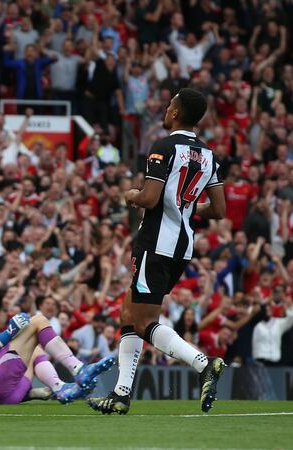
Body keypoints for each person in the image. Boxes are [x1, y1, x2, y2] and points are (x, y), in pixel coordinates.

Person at [88, 88, 227, 415]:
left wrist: (131, 194)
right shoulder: (208, 155)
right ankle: (121, 395)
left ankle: (203, 363)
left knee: (144, 321)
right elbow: (218, 208)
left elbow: (149, 198)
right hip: (182, 248)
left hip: (156, 243)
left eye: (169, 105)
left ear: (176, 113)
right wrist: (187, 208)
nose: (165, 109)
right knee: (128, 313)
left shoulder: (164, 147)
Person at [0, 313, 115, 405]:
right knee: (38, 321)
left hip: (6, 396)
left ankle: (58, 387)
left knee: (34, 347)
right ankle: (77, 371)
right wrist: (8, 333)